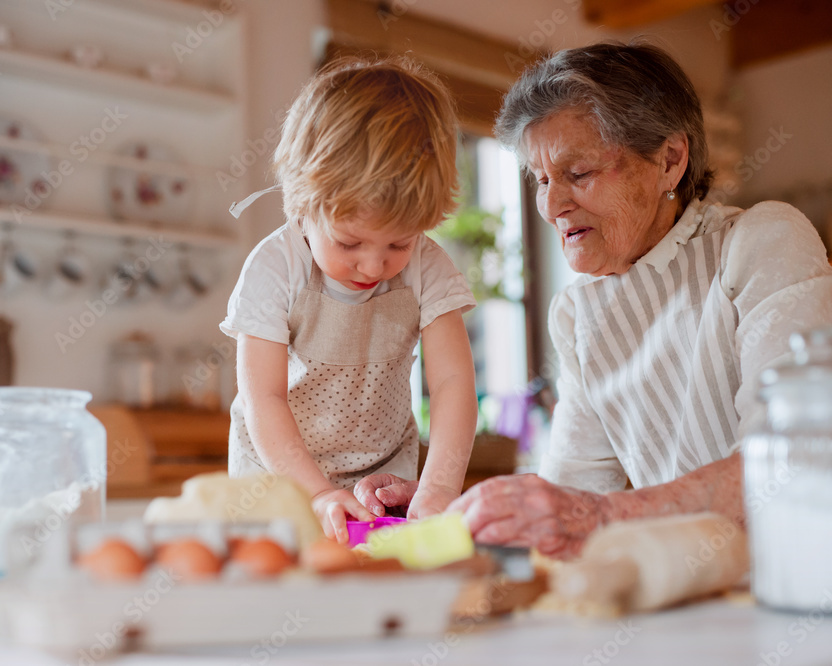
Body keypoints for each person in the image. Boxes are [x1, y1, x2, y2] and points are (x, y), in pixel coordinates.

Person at [359, 42, 832, 558]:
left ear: (669, 160)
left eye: (578, 173)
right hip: (709, 592)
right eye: (541, 180)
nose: (553, 204)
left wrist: (602, 516)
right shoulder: (580, 312)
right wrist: (453, 510)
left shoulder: (763, 241)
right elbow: (571, 496)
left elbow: (796, 456)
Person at [221, 56, 478, 544]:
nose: (375, 266)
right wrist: (315, 493)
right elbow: (264, 398)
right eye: (349, 243)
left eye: (399, 244)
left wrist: (439, 487)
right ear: (303, 203)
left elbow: (451, 383)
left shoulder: (429, 266)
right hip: (277, 477)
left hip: (380, 481)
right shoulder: (274, 268)